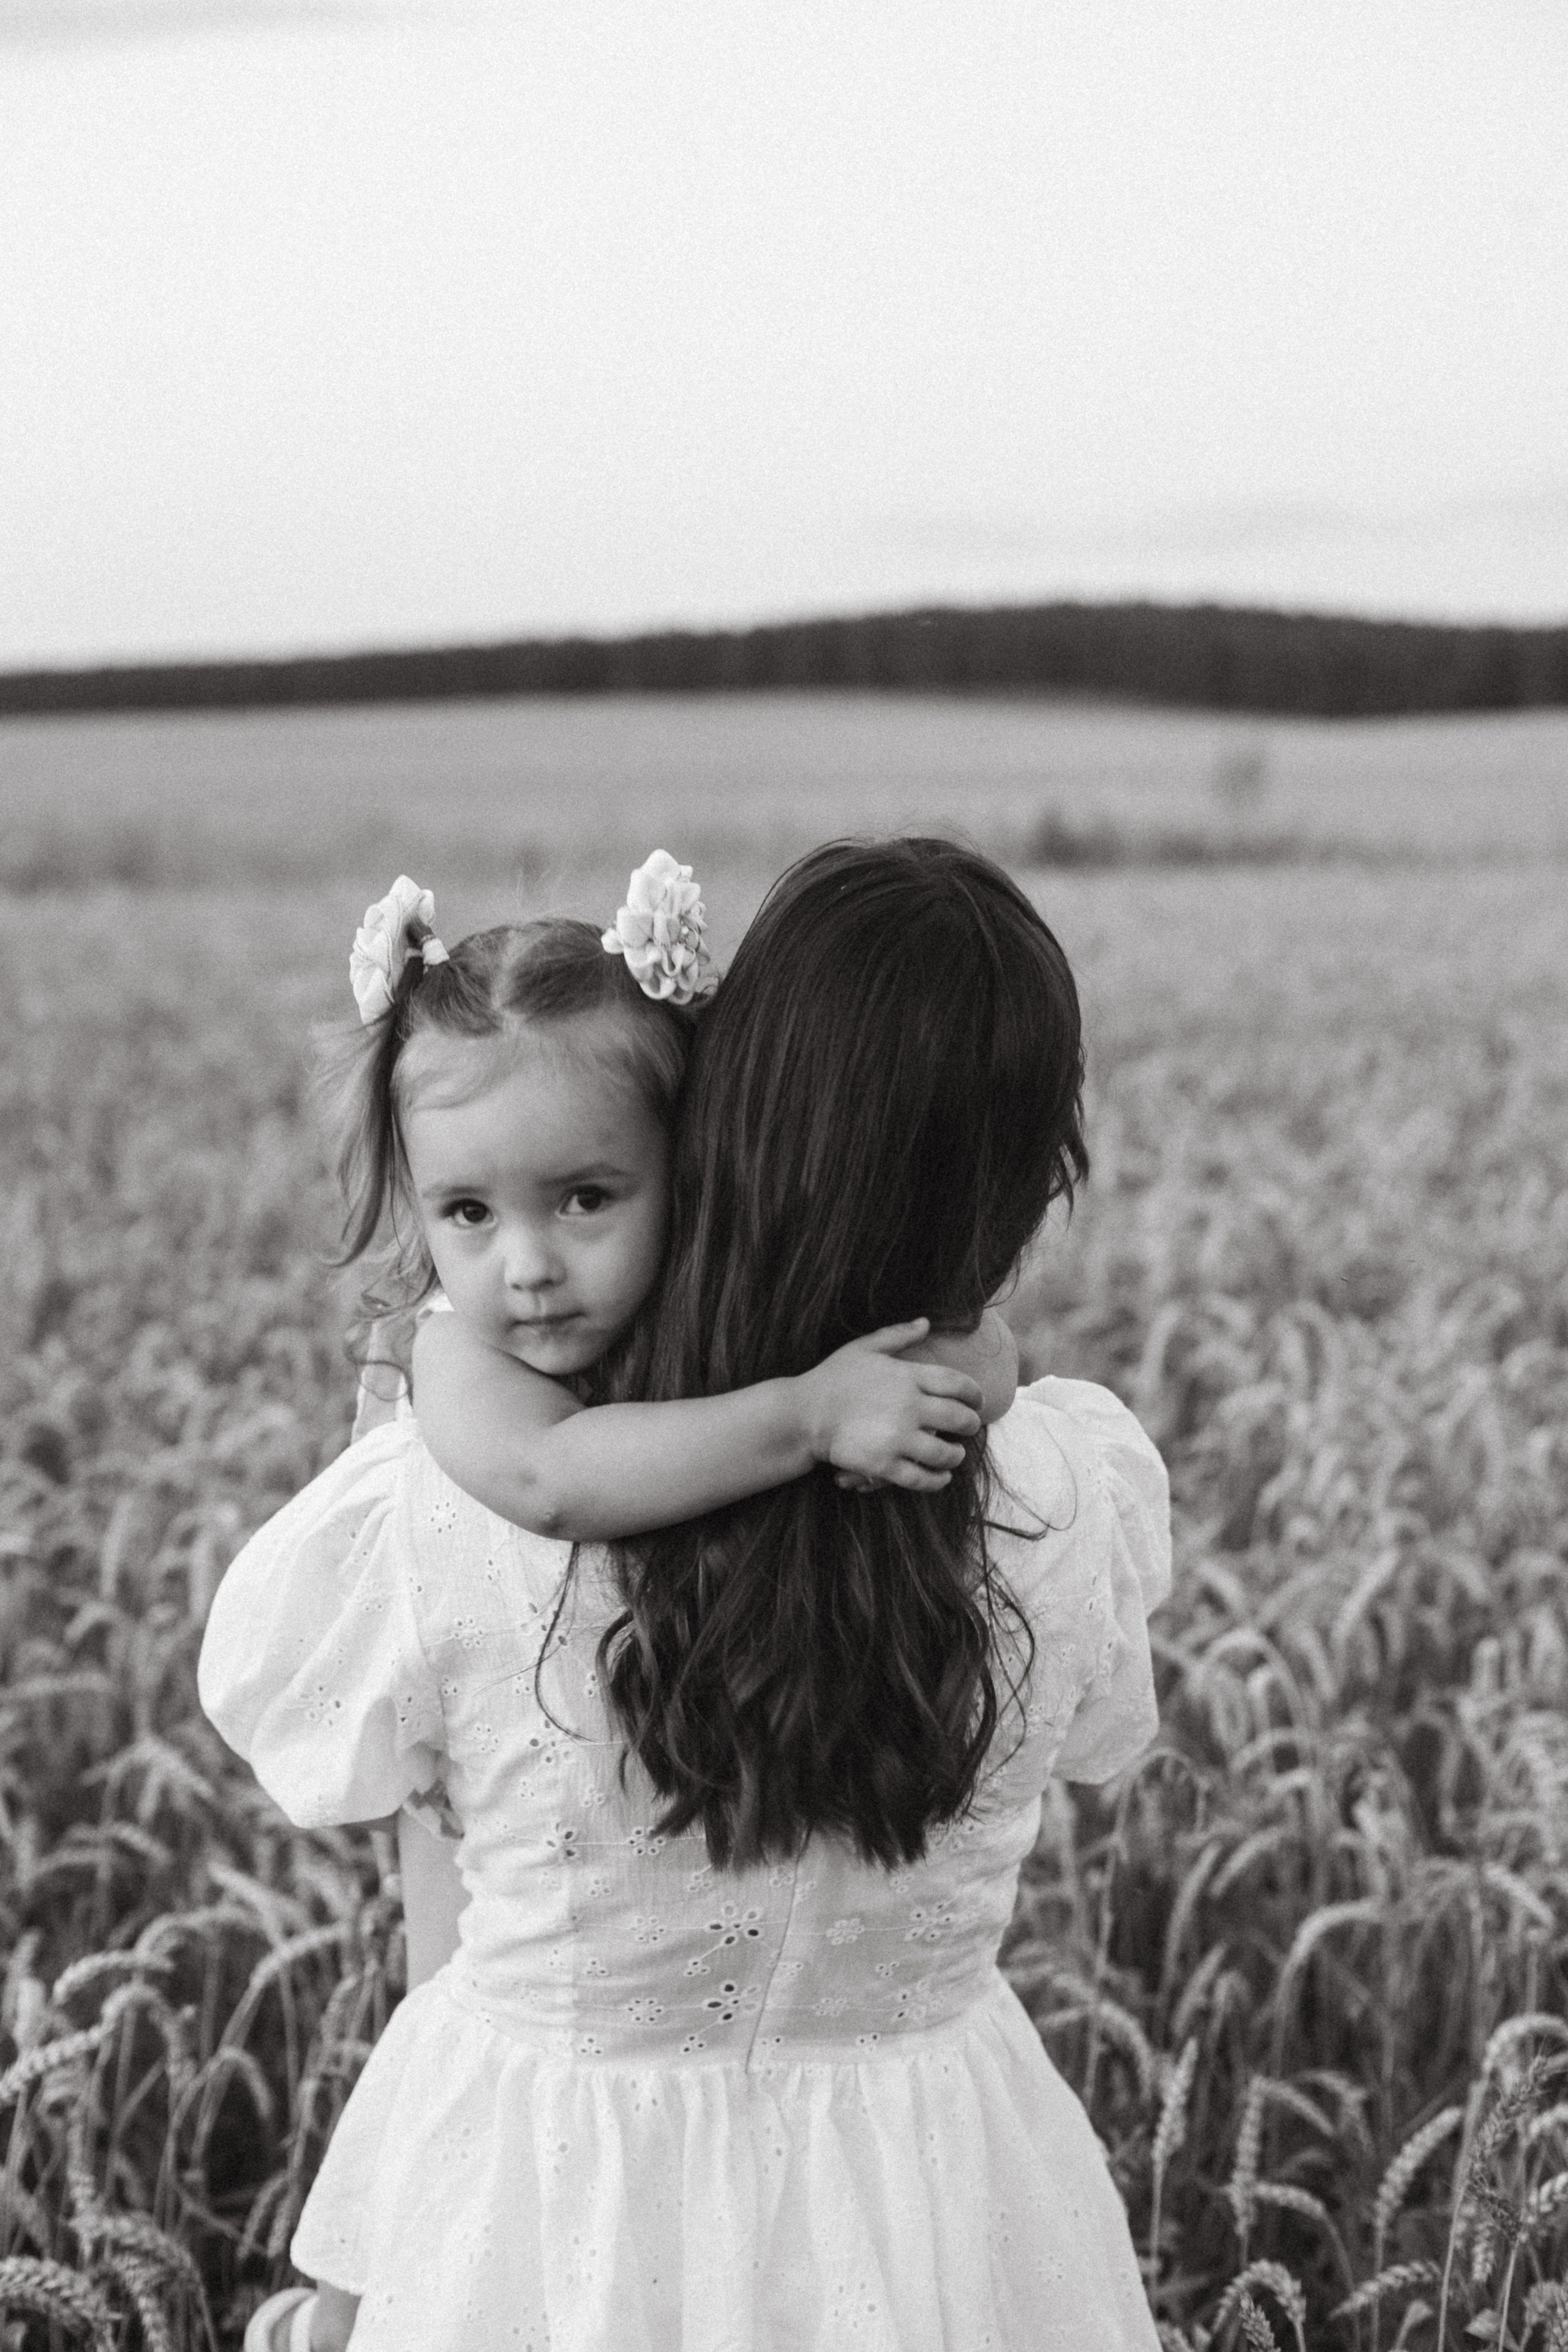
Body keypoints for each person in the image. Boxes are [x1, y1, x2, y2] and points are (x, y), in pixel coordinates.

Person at [202, 837, 1169, 2352]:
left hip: (545, 2219)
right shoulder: (1060, 1483)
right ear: (1035, 1175)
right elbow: (1102, 1729)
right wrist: (978, 1361)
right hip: (939, 2208)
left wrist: (360, 2282)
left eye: (581, 1197)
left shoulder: (449, 1492)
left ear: (715, 1126)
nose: (523, 1265)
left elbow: (436, 1925)